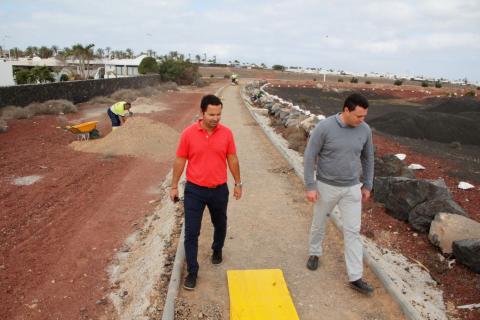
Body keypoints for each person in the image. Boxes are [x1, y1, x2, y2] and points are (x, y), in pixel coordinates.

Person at [303, 93, 374, 295]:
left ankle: (355, 277)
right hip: (326, 186)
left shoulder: (365, 130)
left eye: (364, 116)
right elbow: (310, 156)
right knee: (319, 223)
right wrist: (310, 185)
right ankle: (314, 253)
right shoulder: (324, 127)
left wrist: (367, 184)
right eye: (358, 116)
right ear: (346, 110)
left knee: (353, 231)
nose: (362, 120)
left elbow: (368, 158)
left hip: (352, 188)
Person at [170, 94, 242, 290]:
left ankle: (217, 249)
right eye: (211, 114)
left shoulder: (226, 133)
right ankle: (193, 271)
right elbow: (179, 161)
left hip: (219, 190)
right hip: (194, 191)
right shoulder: (188, 134)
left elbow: (232, 158)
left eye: (219, 114)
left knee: (220, 223)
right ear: (202, 113)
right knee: (191, 232)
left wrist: (238, 183)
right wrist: (174, 185)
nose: (216, 118)